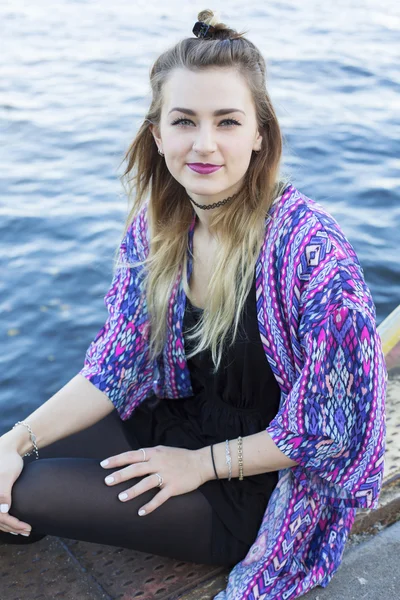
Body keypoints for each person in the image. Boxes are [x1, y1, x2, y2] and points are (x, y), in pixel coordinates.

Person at [0, 9, 387, 600]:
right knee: (8, 471)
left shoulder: (312, 253)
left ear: (260, 133)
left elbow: (336, 430)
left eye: (227, 121)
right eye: (184, 121)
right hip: (176, 418)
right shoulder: (161, 227)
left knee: (25, 496)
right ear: (158, 134)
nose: (204, 144)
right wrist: (13, 438)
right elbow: (115, 365)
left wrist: (199, 465)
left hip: (259, 483)